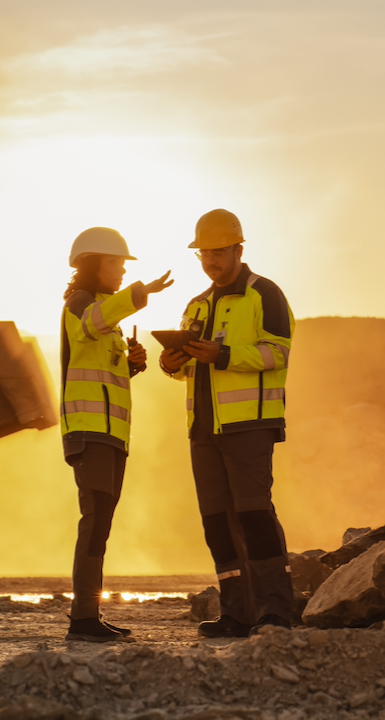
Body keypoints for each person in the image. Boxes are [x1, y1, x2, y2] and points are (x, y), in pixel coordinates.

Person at [159, 209, 296, 638]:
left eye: (219, 252)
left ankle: (276, 611)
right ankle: (236, 613)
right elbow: (188, 369)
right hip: (203, 430)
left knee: (254, 515)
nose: (211, 261)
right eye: (204, 254)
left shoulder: (265, 295)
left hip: (249, 425)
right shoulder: (197, 304)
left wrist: (224, 356)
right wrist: (171, 362)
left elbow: (278, 353)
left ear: (238, 249)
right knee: (216, 522)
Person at [60, 226, 172, 642]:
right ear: (93, 265)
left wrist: (133, 365)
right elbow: (92, 322)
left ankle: (89, 614)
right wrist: (142, 293)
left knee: (101, 523)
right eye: (117, 263)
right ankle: (83, 619)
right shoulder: (80, 305)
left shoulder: (106, 312)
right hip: (89, 433)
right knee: (94, 522)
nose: (123, 271)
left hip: (111, 435)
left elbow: (105, 372)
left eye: (126, 266)